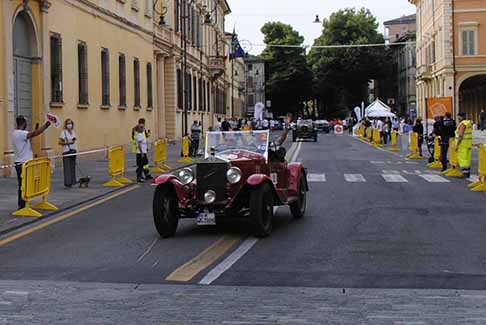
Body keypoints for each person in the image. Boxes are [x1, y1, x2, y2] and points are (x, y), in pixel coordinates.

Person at [12, 116, 51, 209]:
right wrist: (45, 126)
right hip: (23, 164)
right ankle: (22, 205)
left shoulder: (15, 133)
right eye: (26, 123)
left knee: (24, 185)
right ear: (23, 123)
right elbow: (34, 134)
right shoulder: (21, 133)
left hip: (21, 163)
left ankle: (24, 204)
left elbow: (31, 136)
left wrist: (35, 131)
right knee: (23, 185)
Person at [59, 119, 78, 188]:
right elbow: (60, 142)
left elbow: (74, 140)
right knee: (67, 167)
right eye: (68, 123)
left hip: (73, 151)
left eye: (70, 123)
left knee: (72, 166)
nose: (69, 125)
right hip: (66, 151)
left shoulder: (73, 132)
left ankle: (73, 181)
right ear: (66, 125)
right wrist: (68, 143)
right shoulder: (63, 132)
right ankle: (68, 182)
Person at [455, 112, 473, 178]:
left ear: (460, 117)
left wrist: (457, 145)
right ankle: (467, 173)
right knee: (467, 159)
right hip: (468, 144)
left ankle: (464, 173)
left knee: (462, 159)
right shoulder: (469, 123)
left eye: (458, 117)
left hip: (462, 145)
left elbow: (460, 135)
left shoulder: (462, 124)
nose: (458, 118)